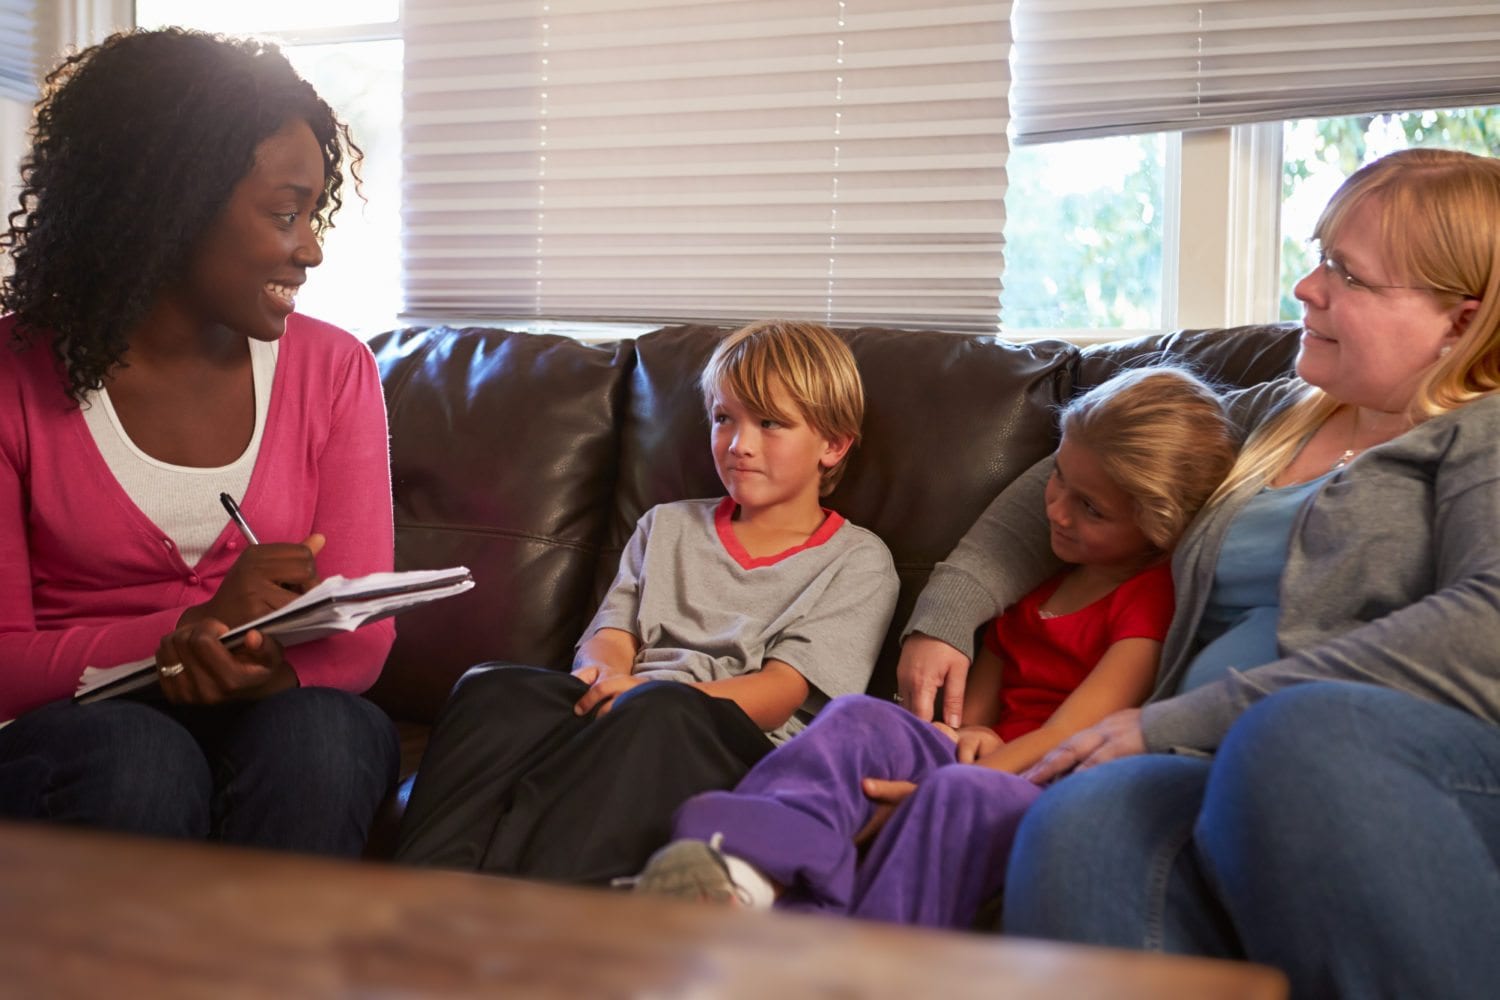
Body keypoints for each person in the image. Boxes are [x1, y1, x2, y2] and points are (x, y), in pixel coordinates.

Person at [908, 149, 1500, 997]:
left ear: (1457, 320)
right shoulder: (1280, 414)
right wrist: (946, 612)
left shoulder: (1482, 436)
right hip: (1201, 756)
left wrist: (1177, 720)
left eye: (1348, 274)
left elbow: (1488, 627)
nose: (1307, 287)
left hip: (1381, 766)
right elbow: (1087, 462)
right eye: (1318, 255)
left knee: (1293, 735)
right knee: (1081, 822)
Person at [627, 368, 1236, 928]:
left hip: (1056, 782)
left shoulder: (1149, 600)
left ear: (1162, 527)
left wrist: (941, 785)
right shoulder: (1036, 587)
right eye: (1057, 478)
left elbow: (1070, 737)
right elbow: (970, 720)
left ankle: (869, 957)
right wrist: (966, 737)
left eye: (1091, 508)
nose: (1055, 509)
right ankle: (745, 872)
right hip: (993, 761)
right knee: (859, 717)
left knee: (959, 793)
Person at [0, 28, 399, 856]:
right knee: (139, 757)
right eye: (285, 214)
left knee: (324, 737)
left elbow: (364, 630)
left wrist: (262, 667)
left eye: (312, 213)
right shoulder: (10, 378)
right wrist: (185, 631)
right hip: (78, 733)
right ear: (169, 205)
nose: (311, 247)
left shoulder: (336, 371)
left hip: (266, 711)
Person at [394, 319, 899, 884]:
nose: (740, 445)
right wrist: (601, 677)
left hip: (738, 742)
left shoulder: (857, 560)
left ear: (833, 444)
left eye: (771, 423)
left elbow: (781, 693)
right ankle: (422, 896)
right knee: (493, 688)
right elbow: (612, 632)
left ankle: (541, 911)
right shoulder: (667, 525)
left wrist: (647, 695)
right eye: (724, 418)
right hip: (630, 709)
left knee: (660, 711)